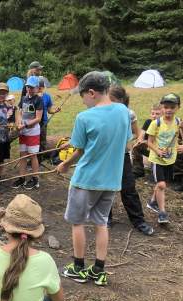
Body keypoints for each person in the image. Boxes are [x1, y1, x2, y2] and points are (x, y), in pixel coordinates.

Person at [57, 71, 132, 286]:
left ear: (91, 93)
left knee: (77, 223)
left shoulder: (85, 117)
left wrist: (64, 164)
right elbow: (124, 142)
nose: (83, 102)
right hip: (111, 181)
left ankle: (78, 267)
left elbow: (79, 150)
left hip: (85, 180)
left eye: (82, 97)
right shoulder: (123, 111)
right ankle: (99, 270)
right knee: (101, 223)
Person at [107, 86, 154, 236]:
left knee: (128, 188)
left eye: (113, 100)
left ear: (122, 100)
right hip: (106, 157)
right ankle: (105, 219)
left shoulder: (129, 114)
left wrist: (130, 140)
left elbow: (137, 132)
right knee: (106, 188)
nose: (110, 103)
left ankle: (139, 221)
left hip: (122, 156)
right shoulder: (103, 112)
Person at [145, 93, 183, 224]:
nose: (168, 110)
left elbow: (180, 136)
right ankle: (162, 213)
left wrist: (181, 146)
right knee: (161, 185)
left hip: (171, 159)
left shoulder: (178, 122)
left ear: (178, 107)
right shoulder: (156, 123)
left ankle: (152, 202)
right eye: (166, 107)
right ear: (162, 107)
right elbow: (149, 142)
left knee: (161, 185)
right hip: (157, 159)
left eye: (172, 107)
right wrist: (157, 151)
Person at [13, 76, 43, 190]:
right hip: (23, 131)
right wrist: (19, 121)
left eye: (32, 87)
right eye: (28, 87)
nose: (29, 89)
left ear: (37, 88)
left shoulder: (38, 100)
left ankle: (35, 179)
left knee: (33, 155)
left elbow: (38, 118)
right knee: (22, 155)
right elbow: (19, 111)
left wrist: (25, 124)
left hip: (33, 131)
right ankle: (22, 178)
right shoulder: (24, 98)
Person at [132, 104, 162, 178]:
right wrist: (139, 141)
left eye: (157, 114)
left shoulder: (164, 124)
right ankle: (138, 170)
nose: (154, 116)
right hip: (149, 146)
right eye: (152, 113)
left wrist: (150, 144)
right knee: (137, 147)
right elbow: (141, 136)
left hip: (161, 149)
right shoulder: (148, 122)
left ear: (163, 114)